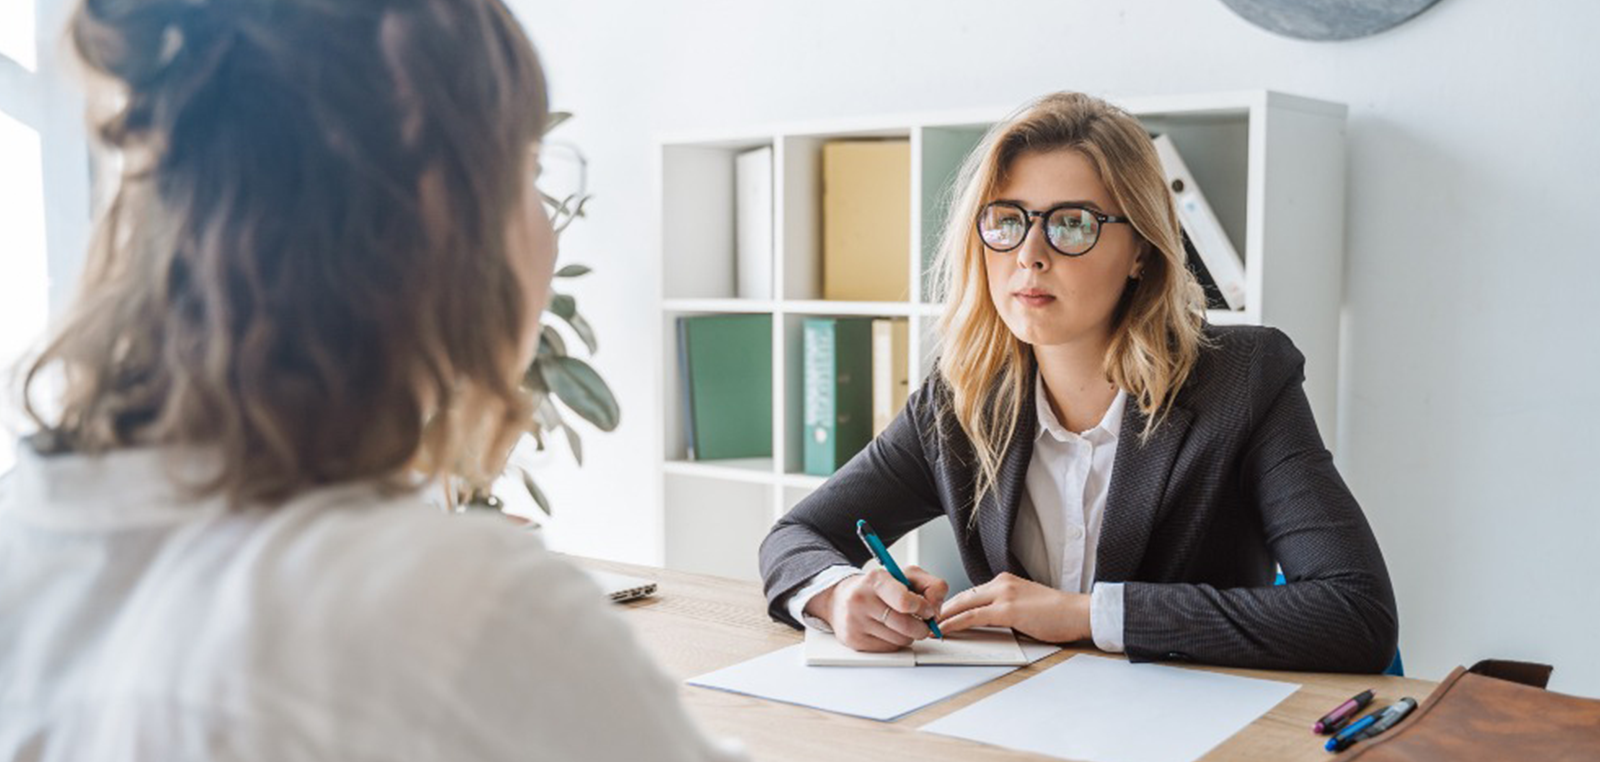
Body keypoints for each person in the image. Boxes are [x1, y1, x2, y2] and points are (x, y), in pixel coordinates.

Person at [0, 1, 744, 759]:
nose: (547, 231)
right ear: (437, 212)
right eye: (527, 171)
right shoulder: (456, 610)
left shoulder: (26, 530)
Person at [760, 91, 1398, 673]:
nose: (1029, 255)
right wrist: (839, 595)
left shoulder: (1245, 381)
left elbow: (1354, 613)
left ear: (1142, 250)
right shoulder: (958, 400)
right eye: (1007, 220)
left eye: (1072, 224)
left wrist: (1082, 615)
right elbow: (797, 536)